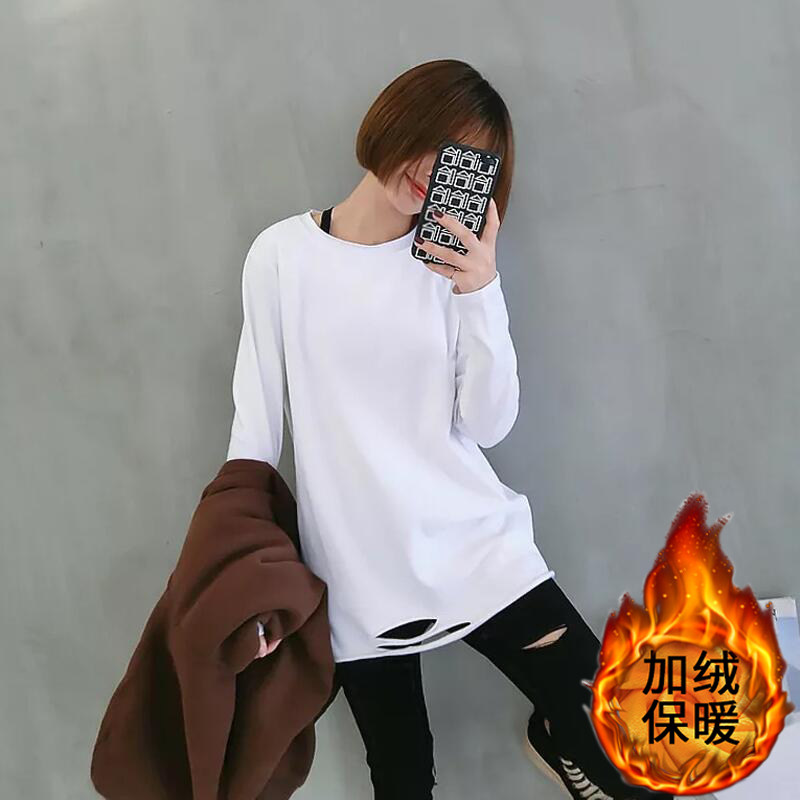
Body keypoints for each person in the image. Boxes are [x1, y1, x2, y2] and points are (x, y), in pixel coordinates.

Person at [228, 58, 670, 800]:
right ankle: (559, 734)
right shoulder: (281, 256)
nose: (432, 171)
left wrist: (480, 289)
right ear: (393, 122)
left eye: (461, 163)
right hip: (356, 577)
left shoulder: (450, 267)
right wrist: (247, 574)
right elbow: (256, 428)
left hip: (475, 549)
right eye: (432, 142)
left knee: (623, 747)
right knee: (403, 781)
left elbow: (488, 425)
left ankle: (560, 735)